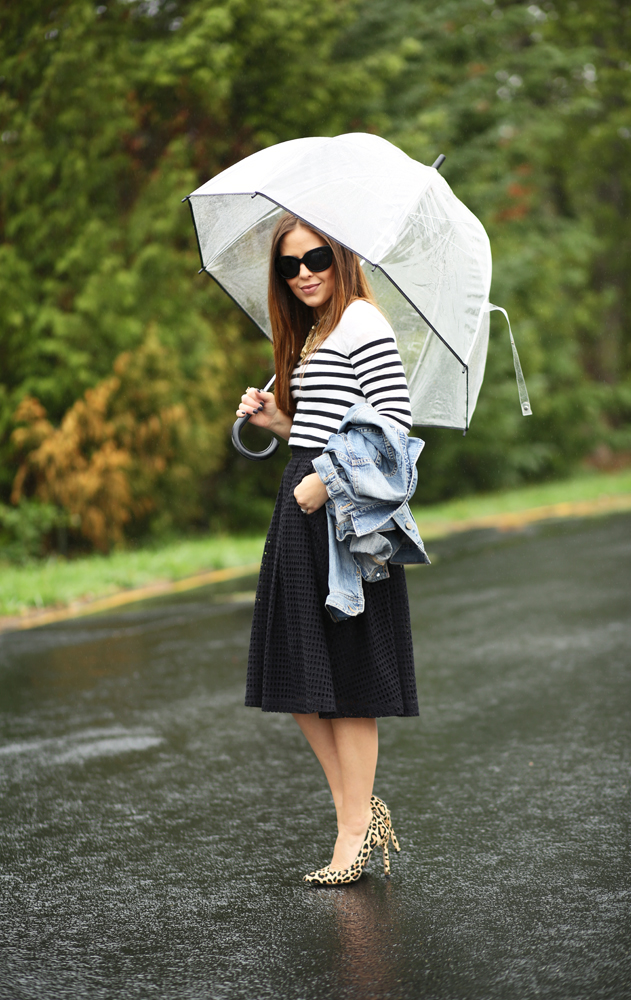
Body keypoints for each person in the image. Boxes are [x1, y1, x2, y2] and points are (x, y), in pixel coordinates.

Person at [236, 213, 419, 885]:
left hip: (341, 513)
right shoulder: (314, 331)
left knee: (348, 681)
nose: (303, 272)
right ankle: (360, 814)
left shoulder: (364, 321)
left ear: (339, 256)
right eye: (289, 265)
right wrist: (279, 421)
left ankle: (350, 834)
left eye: (315, 257)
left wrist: (326, 480)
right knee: (299, 679)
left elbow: (393, 428)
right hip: (301, 501)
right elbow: (321, 424)